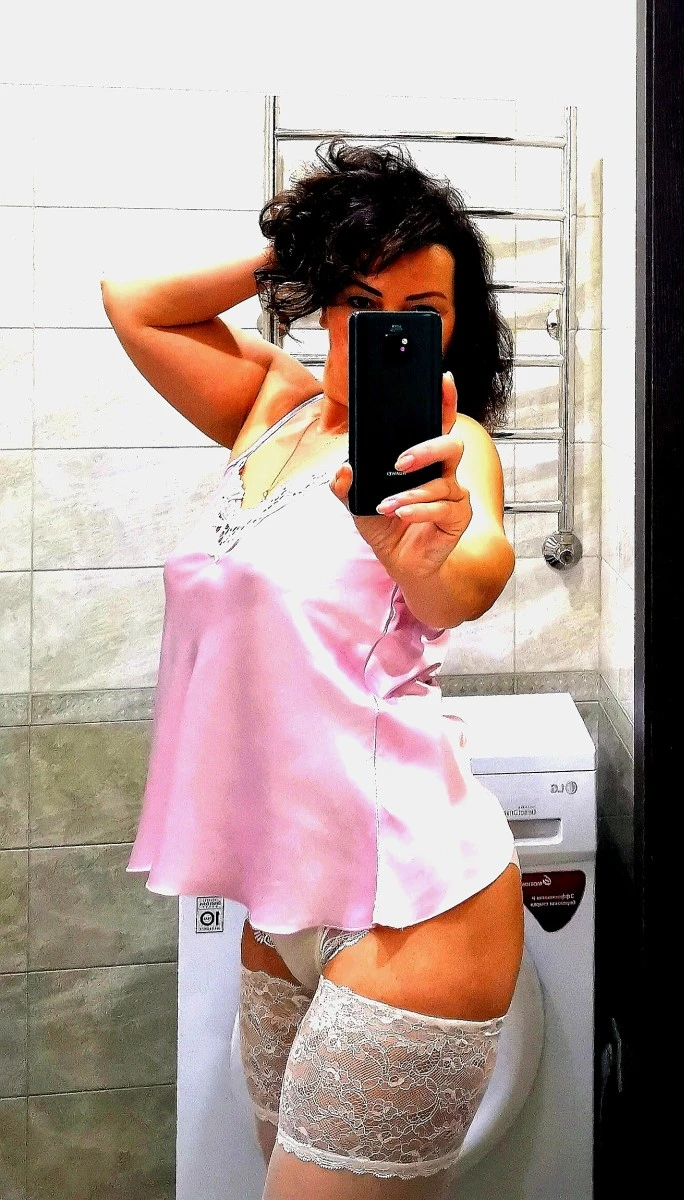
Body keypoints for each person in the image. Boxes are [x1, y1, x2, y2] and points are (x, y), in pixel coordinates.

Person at [102, 141, 532, 1200]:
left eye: (419, 309)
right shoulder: (271, 407)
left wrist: (425, 553)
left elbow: (467, 580)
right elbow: (135, 302)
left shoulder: (452, 449)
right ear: (323, 300)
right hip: (283, 907)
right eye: (356, 300)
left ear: (456, 328)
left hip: (418, 907)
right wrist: (308, 241)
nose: (381, 327)